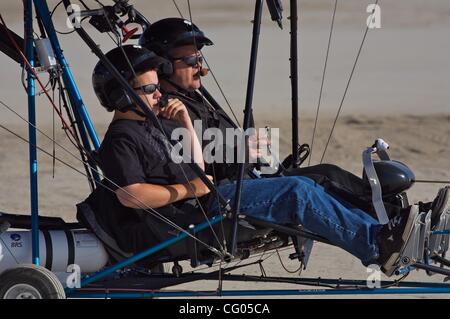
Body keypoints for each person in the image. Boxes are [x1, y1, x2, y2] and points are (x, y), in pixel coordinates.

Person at [87, 44, 448, 277]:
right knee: (296, 191)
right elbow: (131, 195)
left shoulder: (154, 125)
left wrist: (184, 124)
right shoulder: (122, 139)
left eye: (157, 87)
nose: (157, 94)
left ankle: (389, 231)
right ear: (121, 95)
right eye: (149, 89)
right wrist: (188, 189)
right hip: (191, 217)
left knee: (308, 182)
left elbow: (192, 165)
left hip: (207, 198)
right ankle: (377, 245)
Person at [138, 18, 393, 219]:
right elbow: (190, 167)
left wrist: (249, 149)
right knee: (313, 185)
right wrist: (238, 154)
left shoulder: (194, 97)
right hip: (222, 195)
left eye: (200, 58)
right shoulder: (170, 112)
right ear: (165, 67)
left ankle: (391, 209)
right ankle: (383, 222)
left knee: (328, 172)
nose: (201, 66)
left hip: (251, 178)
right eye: (192, 59)